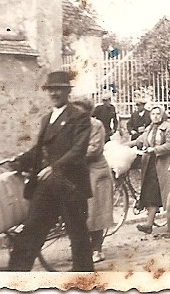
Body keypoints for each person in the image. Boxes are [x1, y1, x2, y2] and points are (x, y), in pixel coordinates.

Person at [8, 71, 93, 272]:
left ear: (67, 91)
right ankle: (14, 278)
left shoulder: (79, 117)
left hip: (71, 186)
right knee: (31, 230)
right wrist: (19, 161)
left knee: (78, 235)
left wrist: (55, 167)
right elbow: (40, 149)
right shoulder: (47, 118)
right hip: (47, 186)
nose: (54, 93)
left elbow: (78, 150)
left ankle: (84, 278)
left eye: (59, 89)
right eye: (51, 89)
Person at [75, 98, 114, 264]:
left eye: (79, 110)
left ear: (87, 111)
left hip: (96, 172)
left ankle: (97, 249)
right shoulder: (72, 125)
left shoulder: (96, 125)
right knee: (79, 212)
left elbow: (94, 149)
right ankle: (83, 248)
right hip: (78, 170)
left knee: (95, 211)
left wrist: (71, 157)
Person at [131, 106, 170, 234]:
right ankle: (149, 224)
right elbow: (139, 141)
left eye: (158, 113)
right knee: (152, 192)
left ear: (163, 115)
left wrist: (155, 149)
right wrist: (122, 145)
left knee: (169, 191)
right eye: (153, 114)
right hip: (150, 164)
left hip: (165, 164)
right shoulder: (149, 128)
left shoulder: (169, 128)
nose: (156, 116)